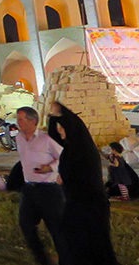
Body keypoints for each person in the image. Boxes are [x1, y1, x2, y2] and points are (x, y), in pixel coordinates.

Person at [46, 102, 120, 265]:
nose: (60, 132)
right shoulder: (73, 149)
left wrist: (61, 111)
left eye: (63, 128)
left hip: (88, 208)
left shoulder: (81, 151)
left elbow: (66, 178)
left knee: (91, 249)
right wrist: (52, 118)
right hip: (79, 206)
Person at [14, 105, 67, 265]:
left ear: (33, 121)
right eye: (17, 119)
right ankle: (43, 260)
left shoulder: (46, 139)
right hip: (29, 189)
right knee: (26, 224)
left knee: (57, 229)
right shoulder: (19, 138)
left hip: (49, 190)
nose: (18, 123)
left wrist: (50, 168)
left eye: (21, 119)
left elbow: (64, 157)